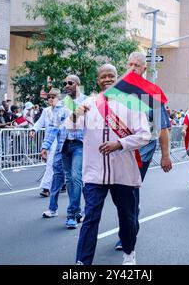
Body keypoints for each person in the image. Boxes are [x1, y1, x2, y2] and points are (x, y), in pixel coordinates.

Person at [72, 63, 151, 265]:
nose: (107, 79)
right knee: (90, 217)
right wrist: (76, 114)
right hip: (94, 173)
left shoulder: (132, 103)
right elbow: (70, 129)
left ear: (118, 79)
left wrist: (120, 143)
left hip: (123, 172)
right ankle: (82, 262)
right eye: (103, 76)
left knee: (127, 216)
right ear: (97, 80)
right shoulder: (89, 103)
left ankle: (129, 253)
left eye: (111, 76)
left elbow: (144, 135)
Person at [114, 52, 172, 251]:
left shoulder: (151, 94)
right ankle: (127, 230)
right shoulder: (118, 91)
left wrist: (166, 155)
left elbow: (162, 128)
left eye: (136, 65)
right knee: (122, 193)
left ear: (144, 69)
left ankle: (128, 234)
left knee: (130, 191)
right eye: (129, 64)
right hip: (120, 149)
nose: (132, 68)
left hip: (142, 150)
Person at [41, 75, 86, 229]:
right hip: (63, 146)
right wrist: (45, 147)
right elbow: (53, 127)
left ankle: (72, 214)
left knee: (75, 177)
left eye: (70, 83)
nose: (67, 85)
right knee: (66, 178)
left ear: (78, 84)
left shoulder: (87, 102)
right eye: (65, 83)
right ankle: (74, 211)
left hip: (80, 145)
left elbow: (93, 125)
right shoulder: (60, 105)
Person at [30, 89, 61, 198]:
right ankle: (51, 186)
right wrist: (34, 130)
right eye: (49, 97)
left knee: (55, 163)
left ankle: (50, 186)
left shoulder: (64, 110)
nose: (51, 99)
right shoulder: (46, 110)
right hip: (48, 141)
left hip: (60, 140)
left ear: (59, 97)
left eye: (53, 97)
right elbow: (40, 122)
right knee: (51, 163)